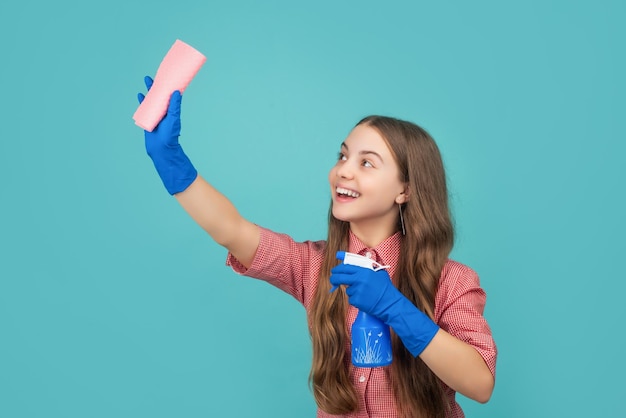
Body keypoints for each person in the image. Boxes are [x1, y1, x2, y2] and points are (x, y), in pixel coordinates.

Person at [137, 76, 497, 418]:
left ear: (405, 189)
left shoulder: (452, 281)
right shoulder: (314, 266)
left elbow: (480, 384)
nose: (343, 171)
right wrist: (172, 162)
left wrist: (395, 309)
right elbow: (232, 230)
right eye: (342, 156)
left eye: (366, 163)